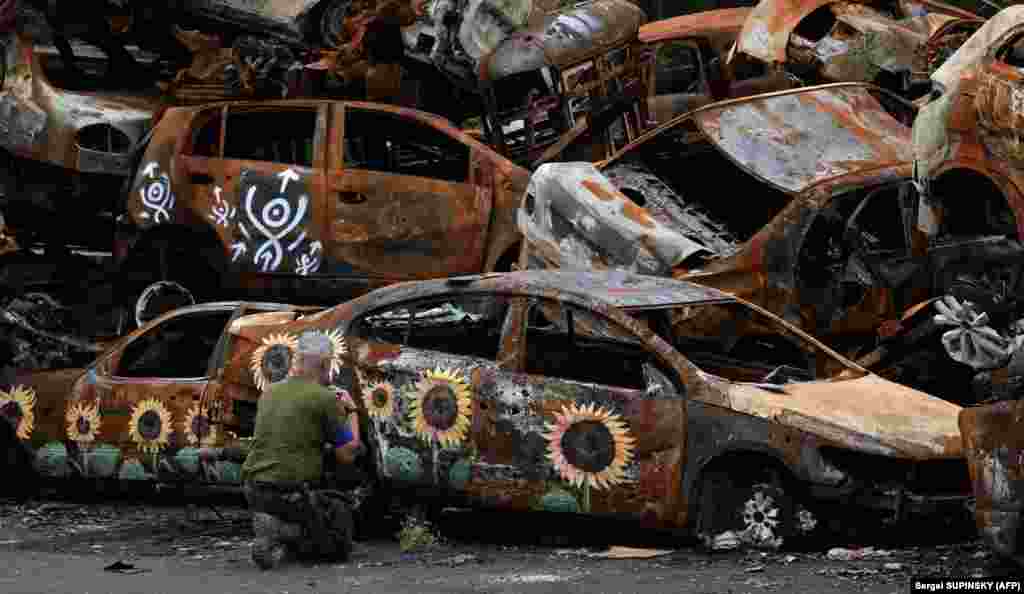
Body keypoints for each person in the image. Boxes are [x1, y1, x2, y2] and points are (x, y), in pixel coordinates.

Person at [241, 330, 362, 569]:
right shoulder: (325, 398)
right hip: (290, 493)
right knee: (337, 543)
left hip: (253, 490)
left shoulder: (269, 392)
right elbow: (347, 453)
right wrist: (352, 410)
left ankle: (277, 529)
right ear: (325, 364)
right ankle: (284, 532)